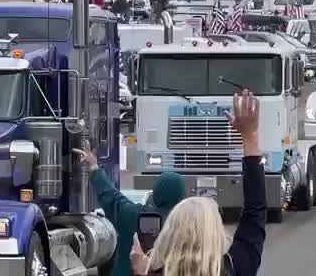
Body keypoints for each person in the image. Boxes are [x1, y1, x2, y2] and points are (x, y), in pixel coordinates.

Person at [135, 90, 265, 276]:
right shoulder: (237, 266)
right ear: (215, 232)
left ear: (170, 234)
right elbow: (256, 208)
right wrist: (250, 136)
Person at [73, 149, 185, 276]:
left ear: (156, 192)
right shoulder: (189, 225)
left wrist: (94, 167)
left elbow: (110, 195)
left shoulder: (132, 215)